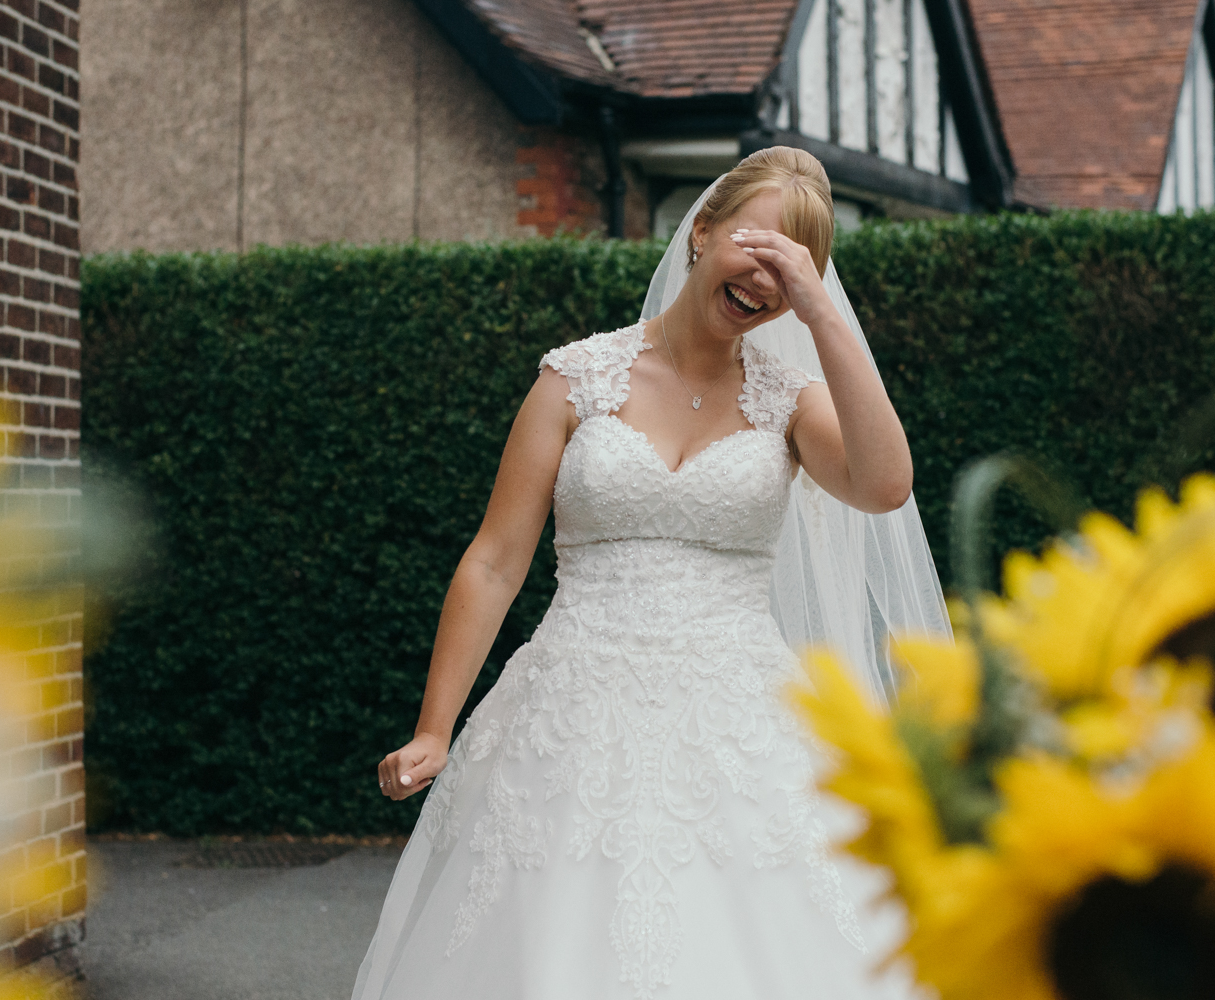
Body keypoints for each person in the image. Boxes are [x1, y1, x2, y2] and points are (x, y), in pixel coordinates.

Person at [349, 147, 948, 1000]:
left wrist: (822, 320)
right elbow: (494, 558)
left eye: (797, 266)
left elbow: (884, 486)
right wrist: (434, 727)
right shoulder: (574, 380)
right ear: (700, 231)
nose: (769, 277)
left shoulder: (788, 399)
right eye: (758, 245)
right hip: (570, 716)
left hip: (744, 727)